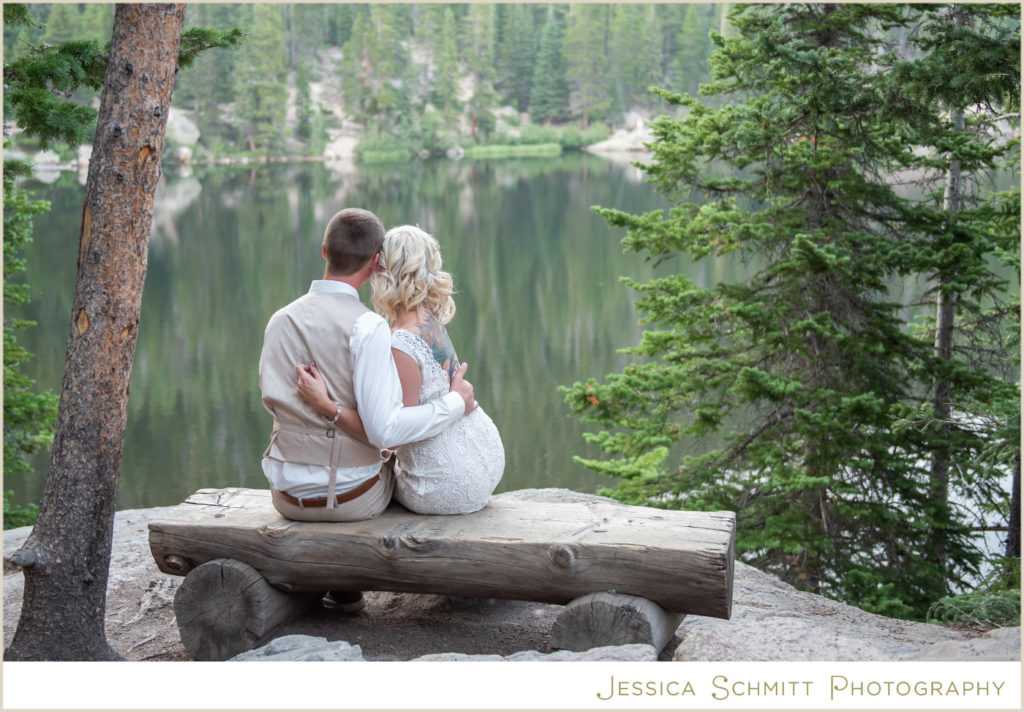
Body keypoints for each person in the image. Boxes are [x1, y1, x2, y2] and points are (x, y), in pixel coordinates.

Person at [258, 208, 477, 526]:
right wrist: (455, 402)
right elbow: (385, 432)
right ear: (376, 263)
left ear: (324, 250)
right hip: (349, 498)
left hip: (285, 496)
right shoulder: (368, 327)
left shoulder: (279, 321)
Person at [296, 224, 504, 515]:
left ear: (384, 272)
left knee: (370, 480)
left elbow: (396, 433)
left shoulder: (399, 343)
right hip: (485, 454)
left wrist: (326, 404)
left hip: (445, 481)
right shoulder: (430, 319)